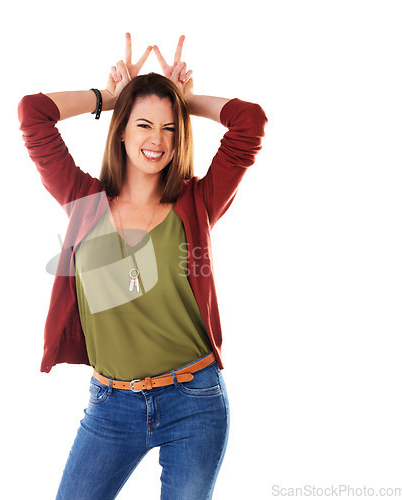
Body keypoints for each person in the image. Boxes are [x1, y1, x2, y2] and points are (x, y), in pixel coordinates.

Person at [18, 33, 268, 499]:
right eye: (143, 124)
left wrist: (185, 99)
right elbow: (34, 113)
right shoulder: (84, 200)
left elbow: (249, 122)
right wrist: (109, 96)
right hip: (110, 407)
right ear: (121, 129)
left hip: (193, 400)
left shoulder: (198, 202)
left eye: (170, 128)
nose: (157, 140)